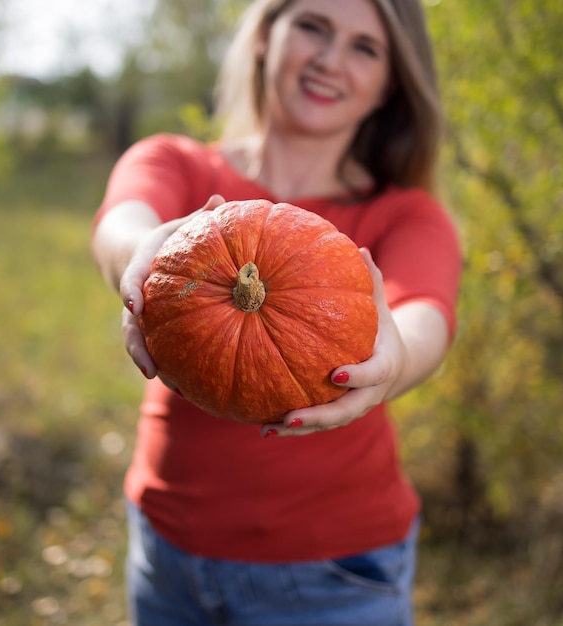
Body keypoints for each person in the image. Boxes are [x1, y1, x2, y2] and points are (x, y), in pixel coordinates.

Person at [91, 0, 462, 624]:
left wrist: (393, 361)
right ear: (266, 37)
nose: (329, 59)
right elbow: (124, 223)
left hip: (334, 573)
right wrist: (144, 254)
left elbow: (424, 313)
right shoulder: (176, 164)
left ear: (390, 83)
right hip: (167, 544)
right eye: (313, 26)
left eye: (364, 47)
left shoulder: (405, 215)